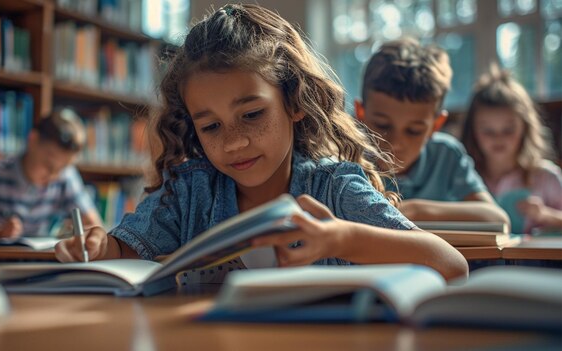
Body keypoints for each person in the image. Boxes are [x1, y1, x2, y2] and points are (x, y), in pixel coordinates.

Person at [56, 4, 467, 281]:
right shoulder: (188, 191)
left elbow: (451, 264)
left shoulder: (335, 188)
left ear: (294, 102)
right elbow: (125, 252)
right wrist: (98, 245)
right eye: (211, 127)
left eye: (251, 115)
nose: (234, 144)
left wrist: (342, 237)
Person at [354, 38, 509, 225]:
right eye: (382, 125)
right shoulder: (348, 156)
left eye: (414, 131)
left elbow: (498, 219)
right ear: (360, 113)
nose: (395, 143)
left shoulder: (446, 155)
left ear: (435, 125)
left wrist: (414, 209)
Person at [0, 108, 102, 239]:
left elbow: (95, 227)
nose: (53, 176)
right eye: (48, 165)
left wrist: (79, 234)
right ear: (33, 139)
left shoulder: (65, 176)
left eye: (63, 168)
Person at [461, 65, 562, 234]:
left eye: (508, 130)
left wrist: (545, 215)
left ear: (525, 128)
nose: (498, 138)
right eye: (488, 131)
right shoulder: (463, 179)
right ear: (472, 132)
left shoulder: (546, 176)